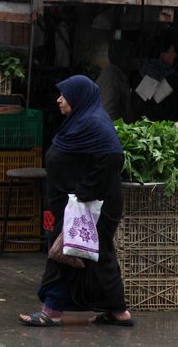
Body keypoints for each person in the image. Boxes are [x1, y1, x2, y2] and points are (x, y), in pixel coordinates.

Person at [19, 75, 133, 327]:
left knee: (64, 252)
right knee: (99, 255)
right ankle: (118, 312)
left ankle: (51, 311)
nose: (59, 99)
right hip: (82, 205)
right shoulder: (79, 122)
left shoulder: (93, 123)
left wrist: (85, 191)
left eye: (65, 95)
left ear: (80, 97)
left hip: (90, 206)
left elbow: (114, 157)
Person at [96, 39, 134, 122]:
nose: (131, 61)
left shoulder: (117, 75)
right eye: (128, 57)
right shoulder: (111, 78)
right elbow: (108, 113)